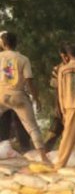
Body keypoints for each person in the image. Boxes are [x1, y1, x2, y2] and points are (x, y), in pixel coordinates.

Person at [0, 30, 48, 162]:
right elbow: (29, 80)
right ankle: (44, 158)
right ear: (16, 43)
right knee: (32, 127)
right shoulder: (23, 59)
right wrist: (36, 98)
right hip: (18, 95)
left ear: (3, 43)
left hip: (1, 95)